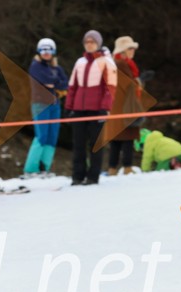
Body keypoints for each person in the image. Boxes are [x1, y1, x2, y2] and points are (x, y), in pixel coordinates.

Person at [65, 30, 117, 185]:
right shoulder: (79, 62)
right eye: (86, 42)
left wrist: (105, 107)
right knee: (78, 144)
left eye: (92, 42)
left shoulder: (107, 62)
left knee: (95, 144)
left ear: (98, 44)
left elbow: (111, 87)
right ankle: (77, 176)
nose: (89, 44)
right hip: (79, 109)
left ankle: (93, 176)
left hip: (97, 109)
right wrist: (69, 106)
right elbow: (72, 86)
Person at [22, 38, 68, 178]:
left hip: (55, 105)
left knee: (52, 136)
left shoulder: (57, 68)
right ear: (39, 51)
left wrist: (55, 84)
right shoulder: (35, 66)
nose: (46, 53)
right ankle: (30, 169)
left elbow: (65, 84)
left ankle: (44, 167)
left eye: (49, 50)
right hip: (40, 104)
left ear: (53, 52)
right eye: (43, 50)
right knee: (41, 135)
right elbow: (48, 81)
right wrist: (55, 83)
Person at [107, 36, 143, 176]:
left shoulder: (118, 62)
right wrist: (139, 82)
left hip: (118, 106)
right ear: (123, 50)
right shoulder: (121, 64)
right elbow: (128, 85)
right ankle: (126, 167)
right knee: (127, 137)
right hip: (124, 106)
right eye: (130, 48)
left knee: (117, 139)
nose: (133, 51)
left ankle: (112, 168)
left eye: (133, 48)